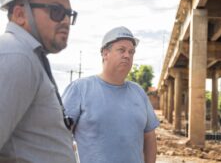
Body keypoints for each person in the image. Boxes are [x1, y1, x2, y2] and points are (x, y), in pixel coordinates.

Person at [0, 0, 79, 163]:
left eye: (69, 14)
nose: (65, 21)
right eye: (56, 11)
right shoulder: (16, 56)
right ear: (20, 14)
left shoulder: (29, 56)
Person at [62, 26, 160, 163]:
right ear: (105, 53)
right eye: (121, 50)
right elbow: (58, 137)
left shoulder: (138, 92)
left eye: (131, 52)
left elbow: (149, 137)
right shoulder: (79, 89)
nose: (127, 55)